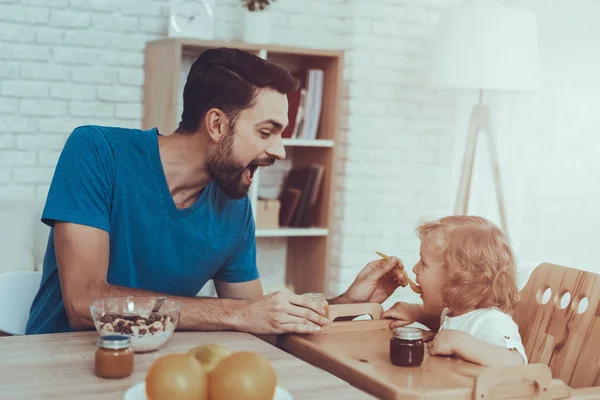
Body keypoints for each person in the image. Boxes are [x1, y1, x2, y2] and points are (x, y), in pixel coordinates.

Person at [25, 47, 407, 335]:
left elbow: (262, 315)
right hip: (61, 367)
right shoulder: (97, 151)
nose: (280, 150)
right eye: (266, 132)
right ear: (217, 125)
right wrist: (236, 314)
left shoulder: (233, 207)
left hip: (163, 374)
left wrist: (344, 303)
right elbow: (83, 302)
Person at [382, 216, 527, 367]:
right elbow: (449, 321)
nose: (414, 269)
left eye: (424, 263)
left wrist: (460, 343)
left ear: (458, 279)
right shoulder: (455, 312)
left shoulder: (492, 321)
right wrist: (416, 312)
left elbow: (516, 363)